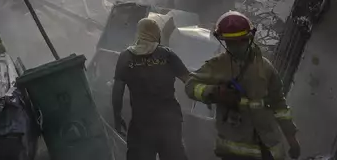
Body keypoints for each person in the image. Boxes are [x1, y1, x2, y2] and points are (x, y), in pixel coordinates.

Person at [185, 11, 301, 160]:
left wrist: (292, 139)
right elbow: (190, 85)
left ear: (250, 38)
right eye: (230, 42)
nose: (236, 46)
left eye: (241, 40)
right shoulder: (217, 65)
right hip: (234, 151)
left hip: (268, 148)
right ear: (223, 41)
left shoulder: (265, 67)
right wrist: (213, 92)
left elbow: (280, 105)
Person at [112, 17, 190, 160]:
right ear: (156, 33)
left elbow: (117, 92)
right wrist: (207, 96)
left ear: (139, 33)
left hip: (142, 123)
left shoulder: (126, 57)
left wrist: (117, 117)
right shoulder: (167, 54)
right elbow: (189, 80)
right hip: (169, 122)